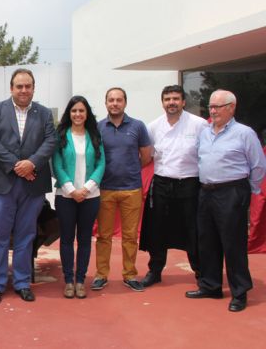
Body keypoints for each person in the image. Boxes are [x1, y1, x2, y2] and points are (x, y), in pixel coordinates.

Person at [186, 90, 266, 312]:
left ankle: (239, 292)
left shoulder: (244, 133)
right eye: (210, 106)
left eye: (218, 107)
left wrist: (247, 191)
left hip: (232, 191)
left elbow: (258, 165)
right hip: (206, 192)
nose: (212, 111)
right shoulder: (205, 132)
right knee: (207, 241)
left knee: (233, 243)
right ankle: (211, 286)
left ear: (232, 107)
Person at [0, 68, 57, 304]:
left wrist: (32, 163)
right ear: (11, 88)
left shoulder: (44, 113)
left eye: (28, 86)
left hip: (33, 185)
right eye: (19, 86)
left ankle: (22, 282)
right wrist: (17, 165)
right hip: (2, 183)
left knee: (27, 236)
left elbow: (50, 141)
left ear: (33, 88)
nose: (24, 90)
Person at [139, 85, 207, 288]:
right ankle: (155, 271)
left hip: (190, 183)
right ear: (162, 103)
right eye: (167, 99)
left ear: (183, 101)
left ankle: (201, 273)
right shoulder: (153, 127)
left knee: (193, 229)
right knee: (157, 229)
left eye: (176, 98)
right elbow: (145, 155)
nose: (172, 102)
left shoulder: (199, 124)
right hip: (161, 183)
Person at [91, 87, 151, 292]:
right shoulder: (98, 128)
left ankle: (130, 274)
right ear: (105, 103)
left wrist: (131, 170)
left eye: (118, 100)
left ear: (125, 102)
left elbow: (146, 155)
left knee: (130, 236)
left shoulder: (138, 126)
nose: (114, 103)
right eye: (111, 100)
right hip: (105, 189)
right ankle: (101, 274)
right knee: (104, 236)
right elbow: (94, 158)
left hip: (132, 189)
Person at [52, 96, 105, 299]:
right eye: (74, 111)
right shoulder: (61, 136)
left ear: (87, 114)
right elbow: (56, 164)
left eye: (81, 111)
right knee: (66, 240)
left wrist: (87, 188)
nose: (78, 114)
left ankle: (81, 280)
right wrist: (71, 189)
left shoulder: (95, 135)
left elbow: (101, 164)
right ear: (69, 114)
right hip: (65, 196)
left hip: (91, 196)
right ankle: (68, 281)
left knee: (84, 240)